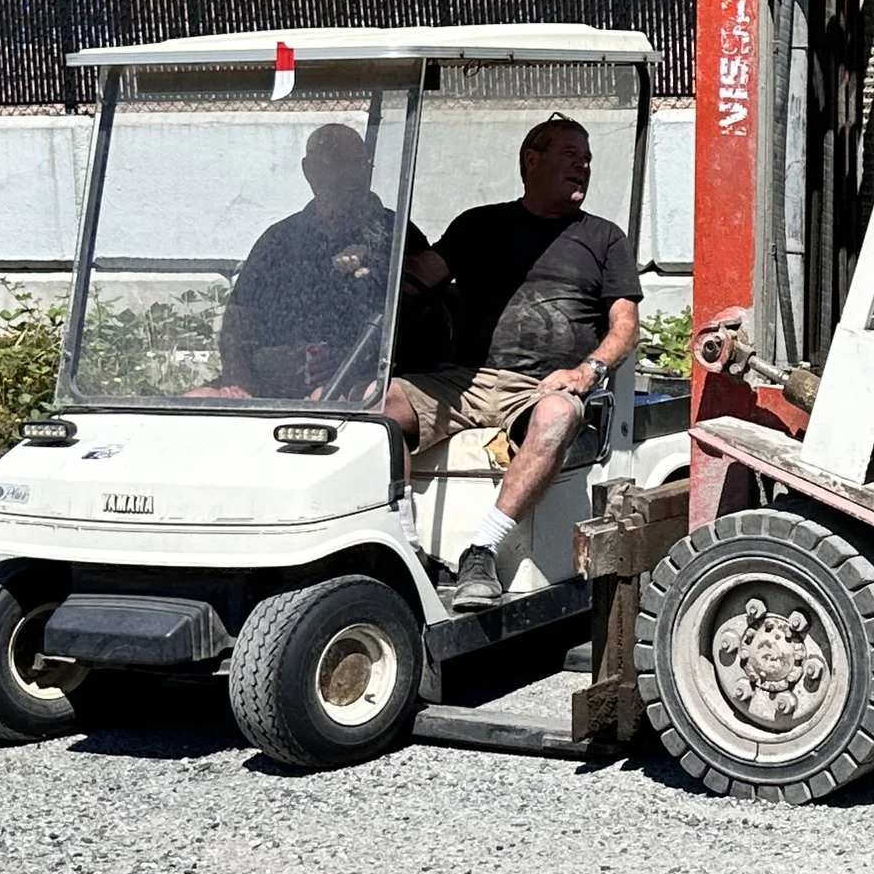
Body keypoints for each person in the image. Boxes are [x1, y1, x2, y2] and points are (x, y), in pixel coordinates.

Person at [383, 114, 642, 609]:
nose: (583, 167)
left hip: (544, 387)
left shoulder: (604, 237)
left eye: (587, 159)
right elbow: (418, 279)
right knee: (381, 403)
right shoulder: (478, 225)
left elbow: (625, 327)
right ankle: (405, 545)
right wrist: (369, 260)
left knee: (559, 415)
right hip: (468, 381)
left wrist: (587, 372)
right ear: (531, 160)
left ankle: (481, 550)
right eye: (570, 156)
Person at [212, 123, 421, 401]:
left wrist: (352, 359)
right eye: (330, 164)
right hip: (267, 387)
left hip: (358, 392)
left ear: (367, 169)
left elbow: (424, 327)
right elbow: (238, 321)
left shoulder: (396, 235)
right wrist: (240, 382)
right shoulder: (278, 241)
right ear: (308, 171)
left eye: (353, 163)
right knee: (196, 400)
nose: (343, 175)